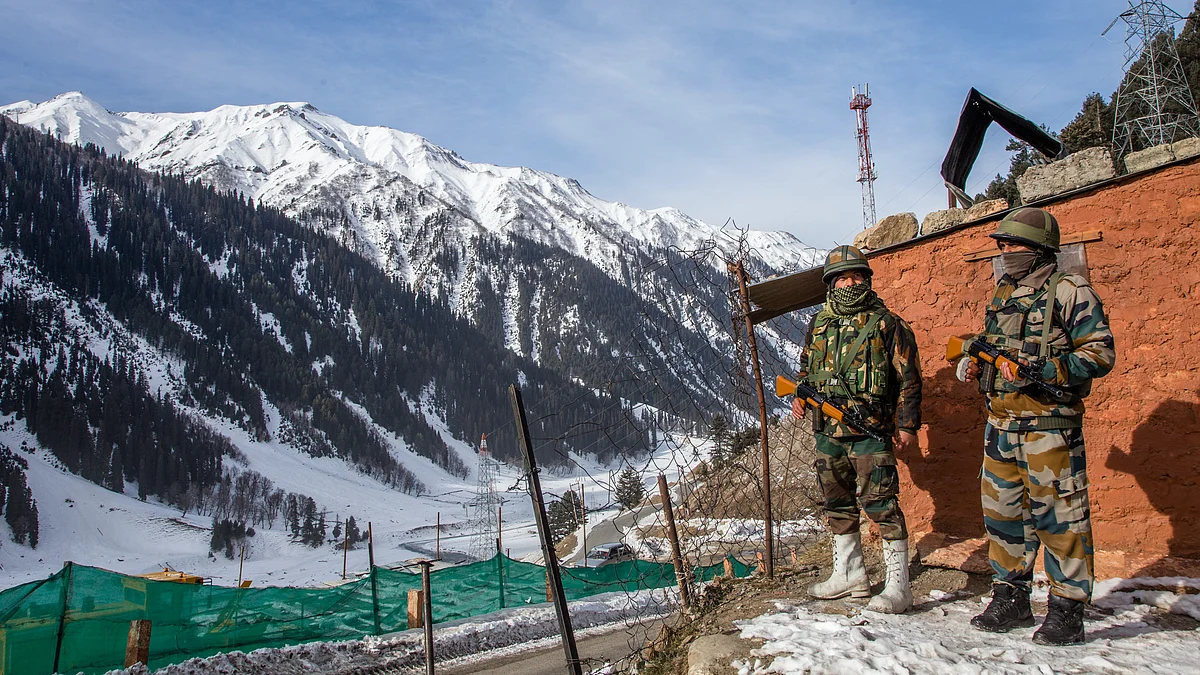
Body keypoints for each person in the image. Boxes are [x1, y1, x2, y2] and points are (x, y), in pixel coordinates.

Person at [958, 207, 1115, 645]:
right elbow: (994, 343)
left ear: (1039, 248)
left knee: (1061, 517)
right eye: (1002, 246)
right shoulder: (1003, 292)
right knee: (1004, 515)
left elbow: (1100, 354)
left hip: (1049, 427)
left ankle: (1067, 608)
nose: (1005, 253)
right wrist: (976, 363)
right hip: (1001, 425)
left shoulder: (1070, 291)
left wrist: (1044, 369)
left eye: (1013, 246)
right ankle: (1012, 597)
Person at [793, 245, 922, 614]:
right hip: (827, 433)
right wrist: (800, 396)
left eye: (856, 276)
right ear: (831, 284)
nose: (850, 283)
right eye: (842, 278)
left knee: (881, 503)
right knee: (837, 503)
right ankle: (850, 574)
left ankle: (899, 586)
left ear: (866, 279)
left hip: (871, 431)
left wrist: (907, 424)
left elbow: (909, 378)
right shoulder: (818, 324)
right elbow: (807, 369)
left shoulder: (888, 323)